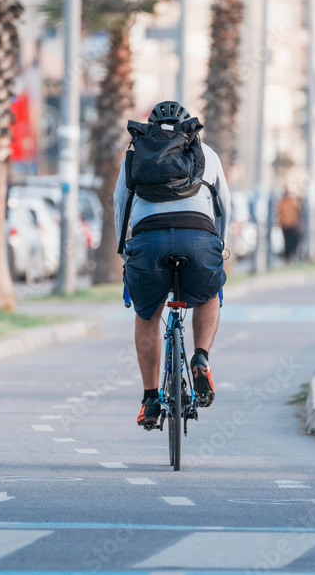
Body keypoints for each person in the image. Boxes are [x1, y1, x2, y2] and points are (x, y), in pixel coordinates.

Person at [114, 101, 230, 428]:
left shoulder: (135, 154)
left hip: (148, 243)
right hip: (199, 239)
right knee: (209, 294)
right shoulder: (206, 153)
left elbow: (120, 205)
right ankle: (201, 357)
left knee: (146, 312)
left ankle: (150, 399)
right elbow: (224, 206)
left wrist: (125, 251)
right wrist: (218, 245)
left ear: (150, 127)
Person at [277, 191, 302, 262]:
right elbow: (280, 214)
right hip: (285, 225)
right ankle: (287, 256)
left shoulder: (292, 202)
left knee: (293, 240)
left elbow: (298, 211)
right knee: (287, 241)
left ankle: (291, 255)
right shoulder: (282, 203)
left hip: (292, 224)